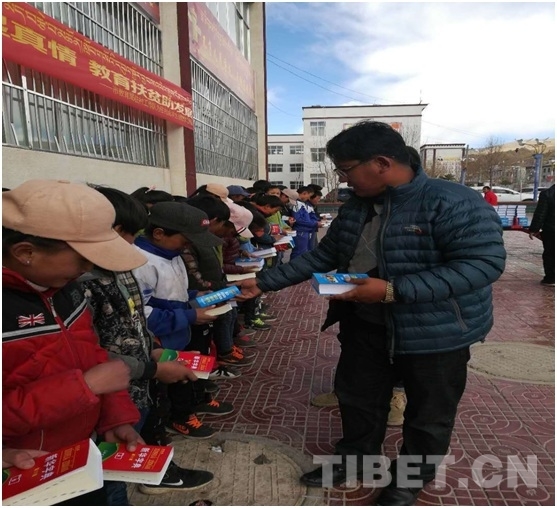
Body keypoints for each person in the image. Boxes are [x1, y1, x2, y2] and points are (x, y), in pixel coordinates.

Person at [236, 121, 506, 505]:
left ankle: (409, 479)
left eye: (346, 169)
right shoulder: (356, 206)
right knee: (358, 399)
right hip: (364, 324)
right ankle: (354, 460)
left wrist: (393, 290)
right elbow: (326, 255)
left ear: (381, 163)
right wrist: (264, 282)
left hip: (436, 333)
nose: (342, 178)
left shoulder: (453, 201)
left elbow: (482, 265)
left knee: (429, 414)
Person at [3, 180, 147, 505]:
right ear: (25, 252)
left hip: (78, 457)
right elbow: (92, 379)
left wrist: (114, 416)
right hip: (26, 472)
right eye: (83, 258)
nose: (89, 269)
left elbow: (91, 356)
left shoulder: (65, 289)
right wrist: (85, 388)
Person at [79, 187, 214, 501]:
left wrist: (152, 347)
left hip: (137, 379)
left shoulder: (122, 266)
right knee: (107, 470)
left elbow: (136, 315)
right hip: (114, 386)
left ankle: (154, 471)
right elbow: (88, 351)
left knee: (135, 438)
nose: (131, 243)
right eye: (129, 234)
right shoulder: (82, 282)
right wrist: (150, 366)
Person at [133, 202, 221, 439]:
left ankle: (182, 414)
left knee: (180, 381)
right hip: (158, 343)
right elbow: (142, 314)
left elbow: (171, 295)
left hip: (179, 334)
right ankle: (166, 426)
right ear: (159, 233)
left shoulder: (173, 254)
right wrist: (190, 315)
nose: (188, 246)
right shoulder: (140, 263)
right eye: (185, 240)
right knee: (160, 392)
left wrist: (194, 297)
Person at [528, 184, 555, 286]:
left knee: (550, 253)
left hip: (551, 230)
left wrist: (534, 229)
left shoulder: (547, 194)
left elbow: (540, 213)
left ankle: (551, 278)